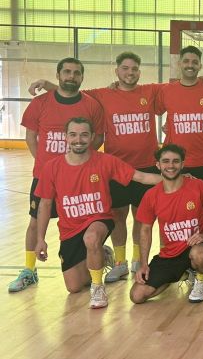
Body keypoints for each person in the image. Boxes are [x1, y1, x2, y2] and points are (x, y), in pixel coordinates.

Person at [27, 52, 164, 283]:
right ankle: (119, 262)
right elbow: (70, 93)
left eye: (134, 69)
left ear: (139, 72)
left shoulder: (149, 91)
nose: (130, 73)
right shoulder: (102, 94)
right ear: (117, 71)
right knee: (118, 216)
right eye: (125, 68)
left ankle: (137, 260)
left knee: (142, 218)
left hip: (145, 166)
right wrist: (49, 84)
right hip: (116, 166)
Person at [34, 117, 162, 308]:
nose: (79, 139)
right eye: (73, 135)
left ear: (92, 137)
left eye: (84, 135)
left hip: (99, 219)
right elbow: (45, 205)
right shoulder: (51, 167)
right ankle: (101, 254)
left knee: (91, 237)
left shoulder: (105, 161)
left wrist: (176, 179)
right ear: (65, 137)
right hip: (70, 229)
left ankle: (98, 287)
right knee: (74, 287)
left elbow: (141, 177)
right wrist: (40, 239)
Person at [10, 58, 105, 293]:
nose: (71, 77)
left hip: (79, 179)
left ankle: (96, 257)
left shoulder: (91, 105)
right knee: (34, 223)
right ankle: (30, 270)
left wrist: (81, 164)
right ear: (59, 75)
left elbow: (98, 138)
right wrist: (43, 165)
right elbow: (31, 137)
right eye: (67, 72)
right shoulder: (40, 103)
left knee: (86, 224)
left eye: (76, 73)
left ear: (82, 77)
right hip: (47, 177)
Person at [130, 144, 203, 304]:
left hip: (197, 246)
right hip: (171, 253)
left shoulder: (198, 186)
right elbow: (145, 230)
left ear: (182, 164)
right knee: (137, 296)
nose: (170, 165)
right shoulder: (151, 195)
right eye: (166, 161)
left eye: (175, 161)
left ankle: (200, 279)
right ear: (158, 165)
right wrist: (144, 264)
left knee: (200, 254)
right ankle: (179, 273)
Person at [155, 46, 203, 189]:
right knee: (174, 206)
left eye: (194, 62)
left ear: (200, 66)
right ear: (179, 63)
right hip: (174, 162)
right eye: (186, 61)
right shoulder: (167, 90)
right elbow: (155, 110)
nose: (190, 65)